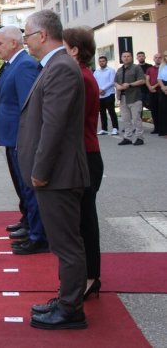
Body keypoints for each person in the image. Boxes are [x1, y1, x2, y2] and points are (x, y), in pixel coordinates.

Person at [18, 10, 89, 330]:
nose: (26, 41)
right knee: (63, 243)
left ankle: (71, 308)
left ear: (43, 35)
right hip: (55, 174)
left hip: (58, 174)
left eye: (28, 35)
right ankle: (65, 299)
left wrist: (40, 169)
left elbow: (54, 127)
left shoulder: (60, 68)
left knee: (66, 244)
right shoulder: (55, 66)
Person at [0, 26, 46, 254]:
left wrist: (26, 139)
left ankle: (38, 235)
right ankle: (28, 223)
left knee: (28, 187)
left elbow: (29, 106)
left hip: (20, 138)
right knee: (21, 186)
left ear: (14, 43)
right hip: (11, 137)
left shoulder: (24, 65)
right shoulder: (11, 65)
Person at [63, 26, 104, 301]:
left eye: (63, 47)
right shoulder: (81, 75)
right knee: (81, 220)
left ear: (75, 50)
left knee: (85, 220)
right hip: (85, 154)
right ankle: (88, 275)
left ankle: (91, 277)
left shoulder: (82, 78)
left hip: (86, 156)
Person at [115, 51, 146, 146]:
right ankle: (128, 137)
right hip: (123, 98)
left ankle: (139, 137)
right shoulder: (119, 70)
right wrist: (118, 87)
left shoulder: (136, 68)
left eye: (128, 56)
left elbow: (142, 80)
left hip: (134, 97)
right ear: (121, 58)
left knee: (136, 118)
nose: (126, 58)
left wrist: (130, 84)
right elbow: (115, 82)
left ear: (131, 57)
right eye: (124, 56)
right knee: (126, 119)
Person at [93, 56, 119, 135]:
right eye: (100, 61)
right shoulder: (96, 72)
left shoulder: (111, 70)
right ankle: (104, 129)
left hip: (109, 94)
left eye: (103, 61)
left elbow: (112, 82)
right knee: (102, 112)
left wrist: (103, 89)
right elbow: (94, 82)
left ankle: (115, 128)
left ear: (106, 61)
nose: (102, 62)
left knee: (111, 112)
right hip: (100, 95)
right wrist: (99, 90)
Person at [145, 53, 162, 134]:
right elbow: (147, 79)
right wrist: (150, 87)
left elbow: (161, 79)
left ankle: (162, 128)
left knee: (161, 110)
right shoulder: (150, 69)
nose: (158, 59)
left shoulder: (164, 68)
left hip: (161, 91)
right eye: (156, 57)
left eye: (159, 57)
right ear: (153, 59)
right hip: (152, 92)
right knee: (154, 110)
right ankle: (156, 128)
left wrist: (154, 86)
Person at [158, 55, 167, 137]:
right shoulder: (162, 66)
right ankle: (164, 131)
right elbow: (159, 78)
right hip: (163, 88)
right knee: (164, 110)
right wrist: (163, 87)